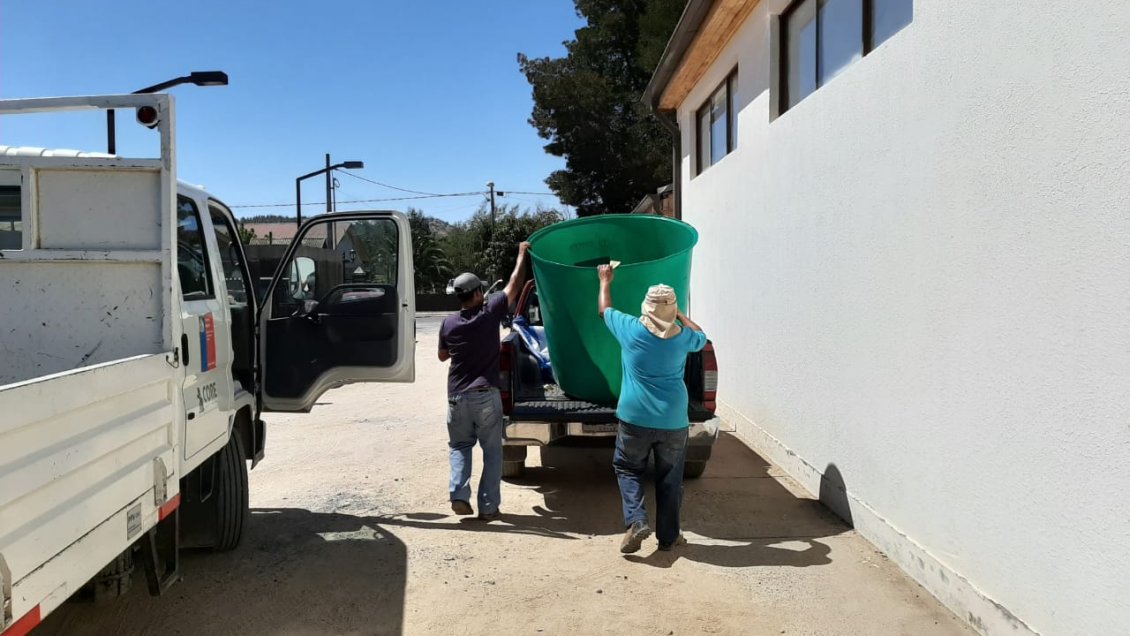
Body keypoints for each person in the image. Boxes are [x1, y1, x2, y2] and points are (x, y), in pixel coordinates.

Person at [596, 264, 708, 553]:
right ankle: (668, 538)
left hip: (635, 417)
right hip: (673, 420)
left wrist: (605, 280)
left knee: (627, 468)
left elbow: (604, 309)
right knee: (671, 480)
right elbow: (701, 335)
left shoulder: (630, 329)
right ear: (671, 311)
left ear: (646, 307)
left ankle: (636, 520)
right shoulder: (683, 337)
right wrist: (678, 313)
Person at [438, 242, 532, 521]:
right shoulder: (489, 312)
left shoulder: (448, 323)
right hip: (485, 395)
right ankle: (488, 507)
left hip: (456, 397)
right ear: (478, 293)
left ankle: (458, 494)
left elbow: (443, 356)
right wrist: (521, 253)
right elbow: (515, 283)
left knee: (459, 446)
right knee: (492, 452)